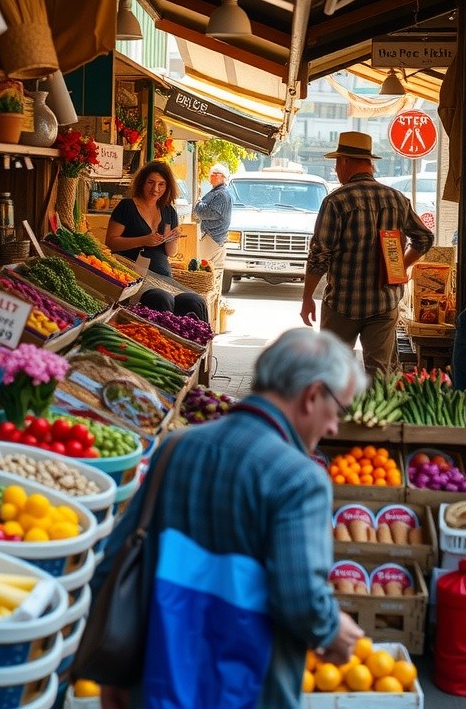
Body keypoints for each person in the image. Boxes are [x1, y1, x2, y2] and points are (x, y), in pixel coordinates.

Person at [91, 327, 366, 709]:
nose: (334, 425)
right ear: (312, 395)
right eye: (337, 410)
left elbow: (117, 552)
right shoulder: (300, 479)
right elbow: (300, 598)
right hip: (248, 688)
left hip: (155, 676)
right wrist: (333, 631)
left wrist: (110, 672)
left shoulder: (175, 446)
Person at [300, 131, 434, 376]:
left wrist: (307, 297)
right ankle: (376, 415)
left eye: (337, 163)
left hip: (343, 303)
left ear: (345, 162)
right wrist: (400, 266)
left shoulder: (336, 201)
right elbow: (425, 238)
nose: (336, 170)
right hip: (384, 304)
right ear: (370, 164)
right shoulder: (397, 199)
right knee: (380, 374)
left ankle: (339, 414)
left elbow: (319, 255)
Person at [105, 159, 209, 321]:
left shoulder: (169, 211)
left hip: (163, 276)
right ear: (142, 182)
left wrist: (172, 237)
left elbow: (171, 252)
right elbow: (111, 242)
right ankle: (160, 342)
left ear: (168, 187)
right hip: (133, 275)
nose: (155, 189)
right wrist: (143, 240)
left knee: (195, 301)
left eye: (161, 184)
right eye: (151, 182)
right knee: (161, 298)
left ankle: (192, 344)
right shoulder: (127, 207)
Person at [191, 162, 233, 284]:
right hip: (216, 237)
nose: (210, 178)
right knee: (214, 271)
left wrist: (199, 205)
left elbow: (207, 213)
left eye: (213, 175)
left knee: (203, 269)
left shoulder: (220, 194)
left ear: (220, 176)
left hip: (212, 237)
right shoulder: (221, 192)